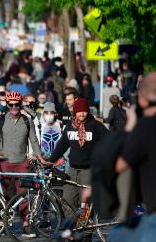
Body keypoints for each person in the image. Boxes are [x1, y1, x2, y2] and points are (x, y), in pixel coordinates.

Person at [112, 72, 156, 242]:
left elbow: (119, 166)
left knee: (117, 234)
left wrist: (129, 129)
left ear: (142, 100)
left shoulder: (145, 127)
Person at [39, 97, 108, 227]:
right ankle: (75, 227)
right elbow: (62, 145)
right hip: (72, 169)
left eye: (84, 111)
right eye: (79, 111)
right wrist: (51, 160)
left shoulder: (95, 125)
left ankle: (86, 231)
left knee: (85, 203)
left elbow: (110, 140)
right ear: (74, 112)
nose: (82, 114)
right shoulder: (70, 126)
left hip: (88, 170)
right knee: (67, 200)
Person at [0, 91, 42, 238]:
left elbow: (34, 141)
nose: (14, 107)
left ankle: (25, 225)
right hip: (4, 162)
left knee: (24, 195)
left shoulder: (27, 121)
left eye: (17, 104)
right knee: (4, 195)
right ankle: (2, 223)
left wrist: (39, 156)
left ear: (21, 104)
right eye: (11, 105)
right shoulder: (0, 120)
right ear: (7, 105)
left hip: (22, 162)